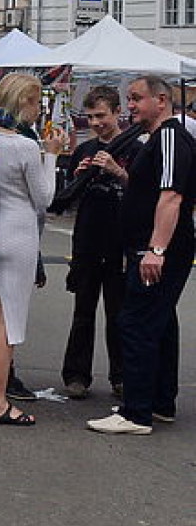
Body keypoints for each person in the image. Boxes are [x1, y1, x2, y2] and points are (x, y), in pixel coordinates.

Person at [88, 76, 196, 436]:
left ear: (161, 100)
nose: (130, 105)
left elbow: (171, 196)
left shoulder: (168, 137)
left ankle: (136, 413)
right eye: (129, 99)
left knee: (136, 323)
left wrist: (156, 249)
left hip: (157, 248)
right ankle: (159, 402)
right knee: (159, 323)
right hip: (155, 245)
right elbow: (150, 191)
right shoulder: (158, 138)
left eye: (136, 99)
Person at [0, 73, 64, 425]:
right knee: (9, 319)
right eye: (36, 103)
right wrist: (51, 156)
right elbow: (44, 198)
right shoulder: (23, 146)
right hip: (17, 233)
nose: (38, 110)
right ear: (23, 102)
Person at [61, 85, 140, 399]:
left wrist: (117, 171)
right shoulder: (84, 149)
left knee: (118, 313)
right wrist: (78, 178)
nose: (96, 123)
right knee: (83, 311)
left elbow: (144, 194)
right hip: (87, 240)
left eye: (101, 116)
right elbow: (67, 201)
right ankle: (77, 375)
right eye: (91, 117)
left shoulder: (136, 148)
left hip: (120, 242)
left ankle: (121, 375)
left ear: (117, 113)